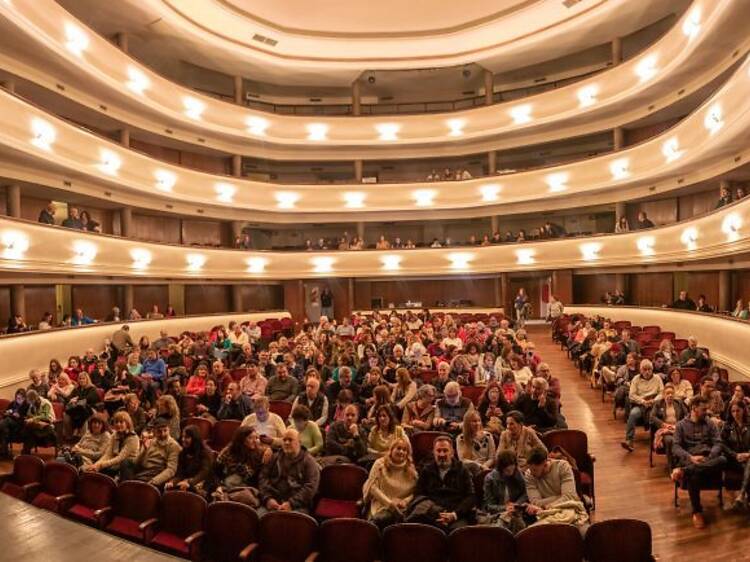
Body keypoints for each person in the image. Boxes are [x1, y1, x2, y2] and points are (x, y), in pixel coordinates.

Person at [671, 396, 727, 529]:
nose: (706, 412)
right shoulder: (681, 425)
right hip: (691, 458)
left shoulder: (710, 423)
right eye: (703, 409)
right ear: (694, 408)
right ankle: (697, 512)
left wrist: (710, 456)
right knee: (694, 476)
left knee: (723, 459)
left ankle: (683, 472)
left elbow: (718, 442)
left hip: (708, 458)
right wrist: (691, 457)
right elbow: (676, 447)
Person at [406, 435, 475, 530]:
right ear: (434, 452)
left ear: (452, 453)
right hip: (432, 514)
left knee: (460, 533)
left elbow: (470, 497)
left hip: (456, 515)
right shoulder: (427, 470)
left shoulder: (462, 470)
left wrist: (454, 514)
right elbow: (418, 494)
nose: (442, 454)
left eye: (445, 450)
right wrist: (436, 512)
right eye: (438, 451)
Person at [258, 428, 321, 515]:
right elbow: (263, 477)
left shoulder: (309, 462)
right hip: (273, 501)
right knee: (259, 518)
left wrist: (291, 503)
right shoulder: (274, 458)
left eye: (290, 440)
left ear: (299, 442)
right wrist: (267, 498)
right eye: (284, 440)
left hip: (298, 505)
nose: (286, 442)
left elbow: (310, 487)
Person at [523, 447, 588, 530]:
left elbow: (569, 497)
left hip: (569, 510)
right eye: (530, 469)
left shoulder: (562, 466)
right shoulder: (529, 475)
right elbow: (535, 503)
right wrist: (559, 496)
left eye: (535, 470)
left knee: (584, 533)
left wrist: (545, 506)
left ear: (545, 463)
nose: (532, 473)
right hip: (545, 515)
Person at [363, 437, 418, 530]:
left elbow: (416, 491)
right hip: (381, 505)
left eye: (404, 450)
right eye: (398, 448)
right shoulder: (380, 464)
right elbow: (372, 487)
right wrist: (390, 504)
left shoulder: (411, 468)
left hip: (402, 507)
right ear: (391, 450)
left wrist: (405, 501)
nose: (401, 452)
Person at [213, 426, 272, 502]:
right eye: (250, 438)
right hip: (229, 482)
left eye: (256, 438)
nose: (255, 441)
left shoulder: (260, 452)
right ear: (242, 440)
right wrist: (218, 486)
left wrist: (270, 449)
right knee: (230, 481)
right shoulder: (230, 450)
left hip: (250, 486)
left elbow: (260, 477)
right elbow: (215, 470)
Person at [120, 417, 181, 487]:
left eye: (165, 430)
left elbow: (171, 470)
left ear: (169, 430)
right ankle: (129, 487)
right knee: (126, 462)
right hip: (143, 471)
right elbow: (136, 462)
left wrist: (154, 481)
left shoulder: (173, 445)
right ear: (154, 431)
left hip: (156, 474)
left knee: (131, 483)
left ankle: (130, 487)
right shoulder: (151, 441)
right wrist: (144, 450)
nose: (163, 434)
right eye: (159, 431)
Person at [482, 449, 530, 533]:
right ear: (501, 468)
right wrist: (505, 508)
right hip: (497, 513)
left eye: (512, 469)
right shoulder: (490, 479)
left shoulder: (517, 474)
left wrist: (516, 504)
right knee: (504, 522)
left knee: (516, 521)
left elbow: (526, 493)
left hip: (516, 511)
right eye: (507, 471)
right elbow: (489, 506)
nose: (511, 473)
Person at [622, 359, 664, 452]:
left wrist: (654, 400)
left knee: (659, 415)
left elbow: (662, 392)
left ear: (652, 370)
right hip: (641, 404)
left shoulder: (657, 378)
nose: (647, 372)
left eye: (649, 369)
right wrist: (642, 401)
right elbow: (632, 395)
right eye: (644, 369)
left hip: (654, 404)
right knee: (633, 414)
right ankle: (629, 441)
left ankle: (658, 440)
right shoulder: (636, 379)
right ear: (640, 370)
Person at [85, 411, 139, 477]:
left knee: (104, 470)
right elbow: (108, 454)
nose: (118, 424)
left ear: (127, 424)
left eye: (121, 422)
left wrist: (100, 465)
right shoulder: (114, 435)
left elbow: (120, 458)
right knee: (93, 471)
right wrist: (96, 465)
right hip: (114, 463)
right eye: (116, 422)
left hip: (126, 467)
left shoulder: (133, 438)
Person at [165, 425, 213, 494]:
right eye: (183, 437)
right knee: (169, 489)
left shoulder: (205, 453)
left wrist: (189, 483)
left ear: (194, 439)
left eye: (187, 437)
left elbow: (204, 473)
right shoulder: (183, 453)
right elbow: (180, 473)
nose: (183, 439)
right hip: (187, 481)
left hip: (203, 482)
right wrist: (172, 482)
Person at [721, 402, 750, 508]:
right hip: (733, 459)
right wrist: (735, 455)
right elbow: (722, 445)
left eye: (738, 410)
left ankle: (741, 494)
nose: (736, 413)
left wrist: (748, 454)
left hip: (748, 458)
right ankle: (744, 495)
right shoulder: (727, 426)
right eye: (733, 411)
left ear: (744, 410)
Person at [651, 383, 687, 465]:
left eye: (672, 393)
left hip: (678, 428)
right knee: (670, 440)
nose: (670, 395)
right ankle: (671, 466)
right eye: (667, 393)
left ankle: (681, 463)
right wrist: (664, 424)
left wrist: (679, 425)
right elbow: (652, 417)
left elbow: (687, 415)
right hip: (665, 430)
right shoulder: (658, 404)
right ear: (663, 395)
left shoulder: (679, 403)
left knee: (684, 438)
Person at [20, 389, 56, 454]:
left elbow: (45, 416)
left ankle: (25, 453)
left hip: (48, 425)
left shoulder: (45, 403)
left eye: (31, 401)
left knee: (28, 432)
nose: (30, 403)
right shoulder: (33, 404)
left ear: (35, 398)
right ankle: (25, 452)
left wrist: (33, 419)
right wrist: (29, 418)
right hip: (37, 425)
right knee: (29, 431)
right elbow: (29, 414)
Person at [0, 389, 28, 458]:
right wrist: (7, 413)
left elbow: (27, 418)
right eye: (16, 398)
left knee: (5, 422)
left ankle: (3, 451)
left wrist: (19, 416)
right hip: (9, 423)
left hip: (19, 424)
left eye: (19, 398)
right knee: (4, 428)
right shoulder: (13, 403)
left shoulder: (26, 405)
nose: (17, 400)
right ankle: (4, 451)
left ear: (24, 398)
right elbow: (5, 412)